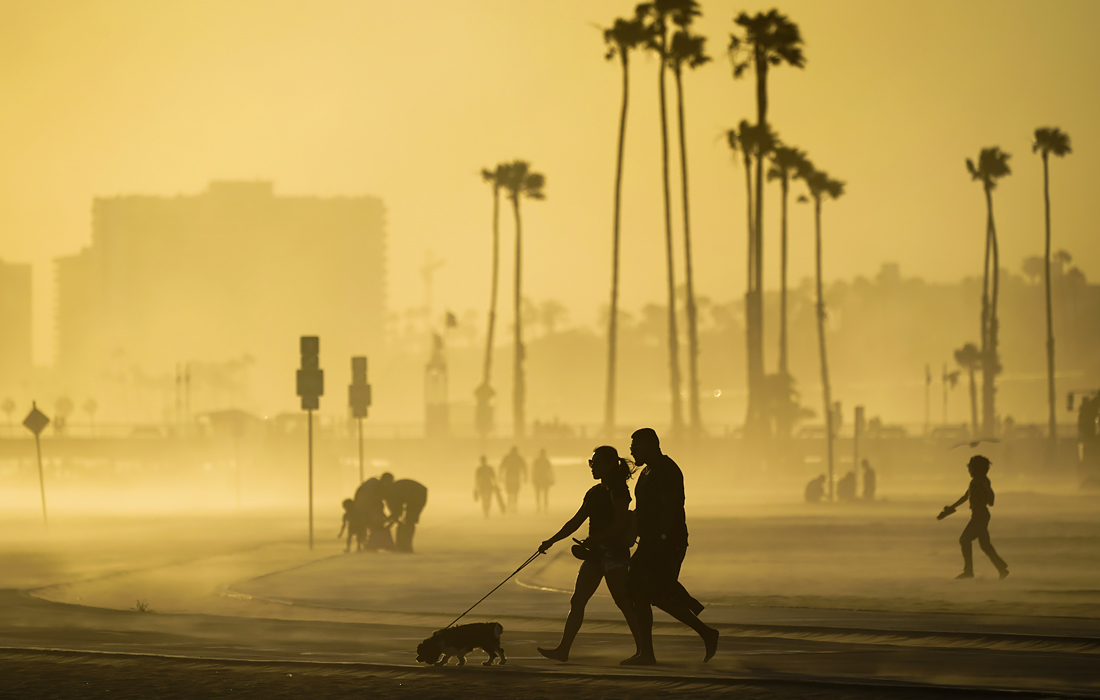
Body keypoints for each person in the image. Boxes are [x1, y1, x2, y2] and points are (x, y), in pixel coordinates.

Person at [536, 446, 641, 662]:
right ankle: (563, 650)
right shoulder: (594, 492)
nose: (593, 467)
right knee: (578, 600)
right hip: (595, 554)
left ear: (611, 465)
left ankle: (643, 650)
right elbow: (575, 521)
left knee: (623, 602)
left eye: (597, 463)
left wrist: (597, 538)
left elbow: (620, 522)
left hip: (615, 555)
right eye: (591, 463)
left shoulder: (619, 491)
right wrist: (551, 540)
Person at [623, 428, 718, 665]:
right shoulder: (647, 471)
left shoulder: (666, 470)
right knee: (641, 593)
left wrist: (662, 539)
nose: (632, 451)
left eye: (635, 447)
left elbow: (670, 508)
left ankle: (700, 630)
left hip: (667, 542)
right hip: (650, 541)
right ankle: (648, 652)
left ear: (651, 446)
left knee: (654, 593)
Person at [938, 455, 1009, 579]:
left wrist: (990, 500)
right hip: (979, 514)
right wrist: (950, 509)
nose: (968, 469)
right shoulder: (975, 481)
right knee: (985, 545)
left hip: (980, 515)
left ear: (976, 468)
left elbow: (990, 493)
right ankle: (1002, 568)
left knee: (965, 540)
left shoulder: (982, 480)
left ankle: (969, 571)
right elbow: (966, 497)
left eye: (969, 467)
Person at [379, 472, 428, 553]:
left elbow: (396, 513)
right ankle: (403, 545)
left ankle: (406, 545)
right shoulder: (392, 490)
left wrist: (388, 524)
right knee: (406, 522)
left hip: (418, 495)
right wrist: (390, 521)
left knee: (409, 521)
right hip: (417, 493)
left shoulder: (391, 493)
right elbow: (396, 513)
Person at [354, 477, 393, 551]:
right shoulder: (374, 487)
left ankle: (369, 545)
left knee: (371, 526)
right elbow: (373, 501)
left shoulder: (373, 485)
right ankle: (371, 545)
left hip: (364, 507)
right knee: (374, 526)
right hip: (365, 508)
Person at [499, 447, 528, 513]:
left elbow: (502, 467)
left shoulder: (508, 457)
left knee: (510, 491)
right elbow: (524, 468)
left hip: (509, 476)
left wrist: (500, 476)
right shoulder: (518, 458)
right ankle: (514, 506)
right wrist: (525, 477)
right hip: (515, 476)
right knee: (515, 492)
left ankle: (510, 505)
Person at [532, 448, 555, 513]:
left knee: (539, 493)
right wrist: (552, 478)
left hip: (540, 478)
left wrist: (533, 478)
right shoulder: (545, 461)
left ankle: (540, 506)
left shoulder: (538, 461)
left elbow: (534, 470)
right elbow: (550, 470)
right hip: (544, 478)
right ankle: (543, 507)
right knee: (545, 494)